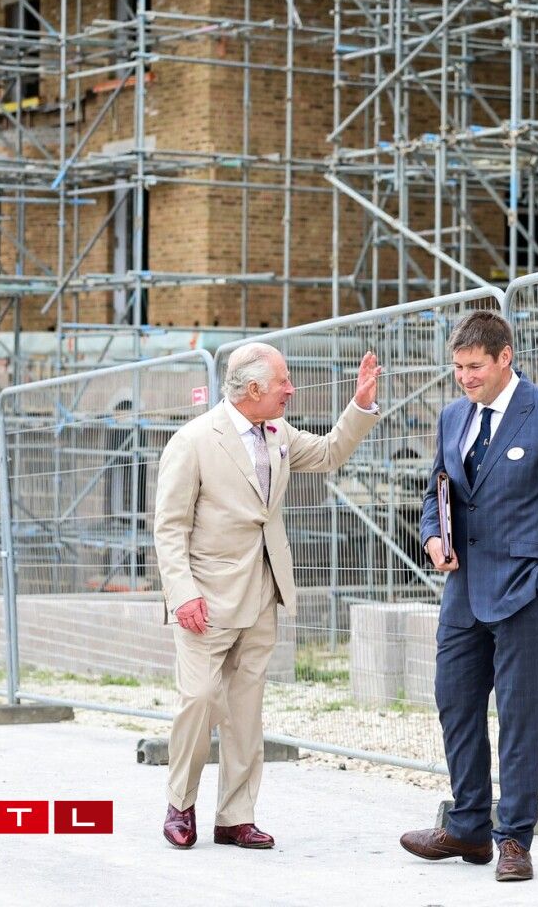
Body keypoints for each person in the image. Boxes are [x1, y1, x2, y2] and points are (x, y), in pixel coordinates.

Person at [153, 342, 381, 850]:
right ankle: (180, 803)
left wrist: (360, 404)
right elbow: (168, 528)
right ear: (253, 389)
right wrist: (182, 594)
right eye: (283, 382)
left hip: (263, 591)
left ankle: (235, 816)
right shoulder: (192, 442)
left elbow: (327, 454)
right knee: (199, 701)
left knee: (245, 709)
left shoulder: (278, 432)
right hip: (205, 600)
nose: (291, 390)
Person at [401, 310, 538, 883]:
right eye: (457, 367)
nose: (464, 377)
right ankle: (467, 826)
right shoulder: (453, 417)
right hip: (462, 591)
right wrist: (433, 537)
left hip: (522, 594)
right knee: (454, 703)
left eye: (474, 366)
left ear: (505, 357)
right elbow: (437, 491)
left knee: (518, 716)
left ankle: (514, 839)